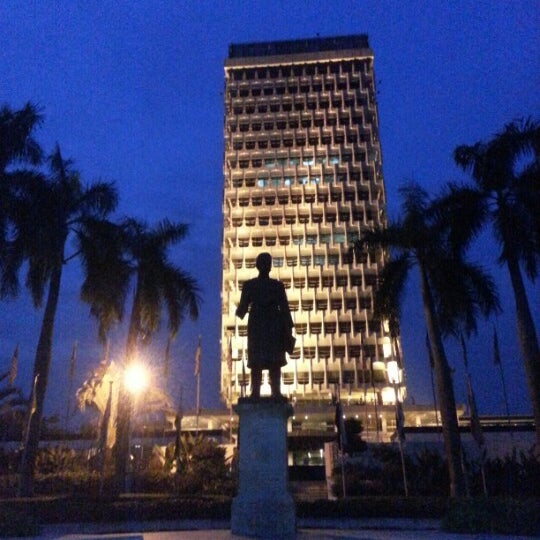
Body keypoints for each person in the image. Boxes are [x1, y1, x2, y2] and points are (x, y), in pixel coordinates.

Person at [236, 252, 293, 399]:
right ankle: (275, 392)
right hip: (273, 324)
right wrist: (288, 329)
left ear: (257, 266)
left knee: (257, 360)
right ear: (269, 267)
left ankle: (256, 393)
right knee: (273, 360)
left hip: (258, 324)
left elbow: (241, 311)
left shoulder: (249, 285)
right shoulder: (277, 286)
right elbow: (285, 311)